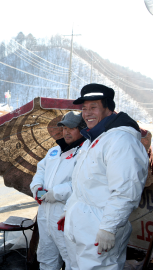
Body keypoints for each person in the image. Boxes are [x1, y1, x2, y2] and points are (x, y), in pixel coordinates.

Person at [61, 83, 149, 270]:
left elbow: (125, 191)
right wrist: (70, 212)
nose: (87, 113)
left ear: (109, 109)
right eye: (84, 108)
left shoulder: (121, 140)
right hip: (80, 229)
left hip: (99, 231)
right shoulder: (93, 140)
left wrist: (109, 228)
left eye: (94, 107)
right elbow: (83, 186)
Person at [30, 111, 86, 270]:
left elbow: (81, 183)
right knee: (46, 257)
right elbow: (40, 170)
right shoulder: (53, 151)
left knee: (71, 260)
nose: (66, 132)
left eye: (72, 128)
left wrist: (55, 193)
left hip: (65, 216)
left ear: (81, 129)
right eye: (64, 128)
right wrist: (37, 187)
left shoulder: (84, 152)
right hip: (44, 214)